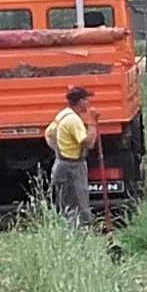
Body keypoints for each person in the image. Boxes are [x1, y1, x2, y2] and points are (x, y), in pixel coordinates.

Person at [45, 85, 95, 219]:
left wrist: (59, 152)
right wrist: (93, 123)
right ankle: (81, 234)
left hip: (61, 164)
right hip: (73, 167)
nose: (88, 103)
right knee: (80, 205)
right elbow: (88, 143)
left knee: (66, 205)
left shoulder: (63, 114)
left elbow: (48, 134)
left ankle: (69, 234)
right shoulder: (74, 120)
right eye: (86, 99)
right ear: (80, 102)